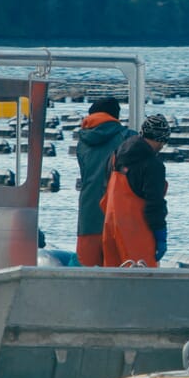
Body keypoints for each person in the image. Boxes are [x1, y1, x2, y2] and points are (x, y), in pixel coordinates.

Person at [100, 114, 170, 267]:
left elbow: (105, 190)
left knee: (112, 281)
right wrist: (160, 233)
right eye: (163, 141)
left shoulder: (116, 155)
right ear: (159, 139)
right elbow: (155, 204)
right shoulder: (153, 165)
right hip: (136, 235)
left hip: (110, 229)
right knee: (142, 283)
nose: (162, 146)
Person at [75, 97, 132, 266]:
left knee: (86, 278)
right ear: (116, 116)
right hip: (117, 217)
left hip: (88, 217)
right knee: (118, 277)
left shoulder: (82, 142)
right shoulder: (128, 138)